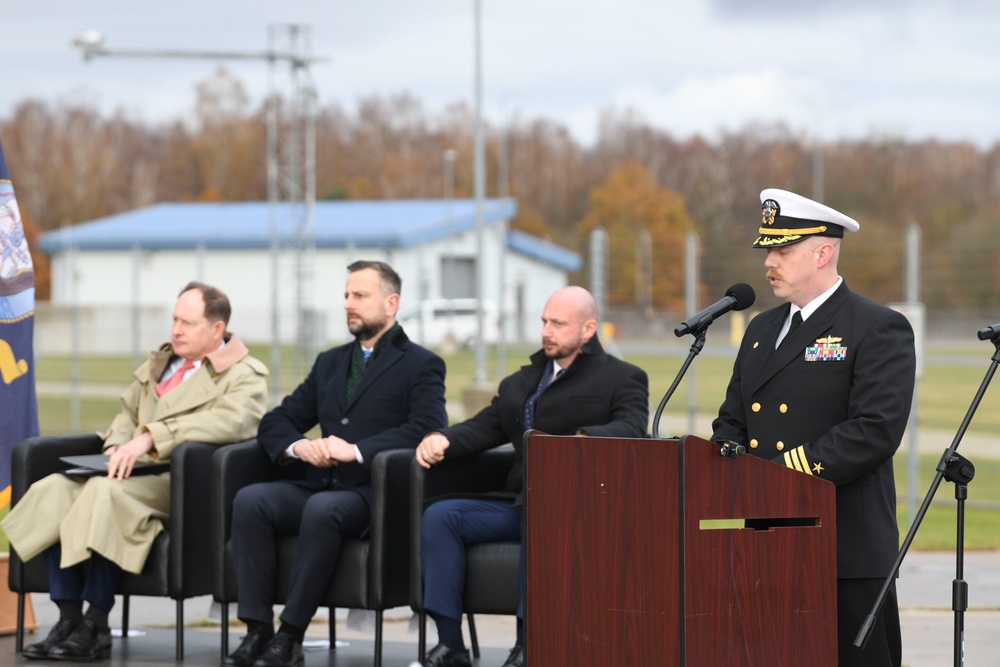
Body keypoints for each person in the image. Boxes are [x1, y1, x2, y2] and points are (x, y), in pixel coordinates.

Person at [2, 281, 269, 661]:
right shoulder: (161, 362)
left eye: (188, 323)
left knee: (105, 494)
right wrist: (115, 442)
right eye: (175, 319)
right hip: (129, 468)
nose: (176, 329)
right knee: (53, 490)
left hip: (179, 480)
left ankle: (96, 622)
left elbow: (230, 423)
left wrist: (149, 438)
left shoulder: (245, 375)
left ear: (216, 330)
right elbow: (127, 412)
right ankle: (68, 617)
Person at [712, 188, 916, 667]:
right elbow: (733, 419)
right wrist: (723, 458)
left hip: (843, 548)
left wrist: (781, 475)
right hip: (764, 540)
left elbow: (875, 429)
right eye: (767, 250)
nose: (769, 262)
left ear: (823, 252)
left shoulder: (876, 327)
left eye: (782, 250)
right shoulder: (761, 329)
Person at [221, 260, 448, 667]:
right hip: (319, 484)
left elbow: (427, 427)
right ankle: (257, 632)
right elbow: (277, 420)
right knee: (251, 500)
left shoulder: (421, 364)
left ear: (391, 303)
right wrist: (297, 447)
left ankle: (290, 637)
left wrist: (356, 449)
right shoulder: (330, 362)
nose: (348, 304)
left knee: (323, 510)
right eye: (345, 295)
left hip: (372, 492)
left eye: (359, 295)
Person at [414, 286, 649, 667]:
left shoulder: (622, 378)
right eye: (544, 321)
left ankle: (528, 647)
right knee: (442, 517)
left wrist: (583, 440)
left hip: (576, 508)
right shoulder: (523, 381)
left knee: (540, 527)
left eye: (558, 323)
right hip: (518, 503)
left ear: (588, 329)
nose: (546, 331)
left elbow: (633, 426)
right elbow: (488, 425)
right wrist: (442, 437)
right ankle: (450, 645)